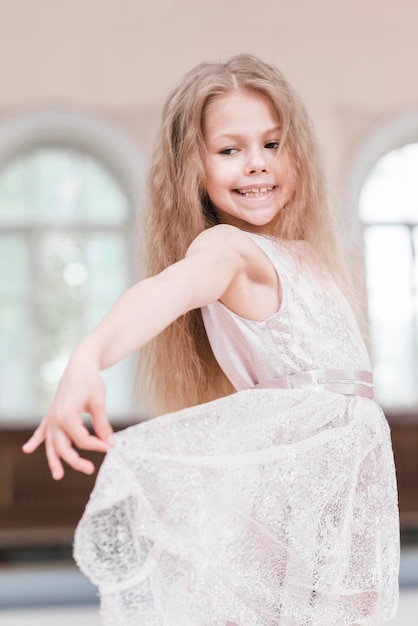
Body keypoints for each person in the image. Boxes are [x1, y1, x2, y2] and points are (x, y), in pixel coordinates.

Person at [23, 54, 399, 625]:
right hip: (291, 511)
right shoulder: (229, 251)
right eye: (229, 150)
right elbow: (167, 290)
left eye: (272, 144)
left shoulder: (307, 257)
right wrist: (89, 356)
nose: (256, 165)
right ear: (193, 169)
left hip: (344, 509)